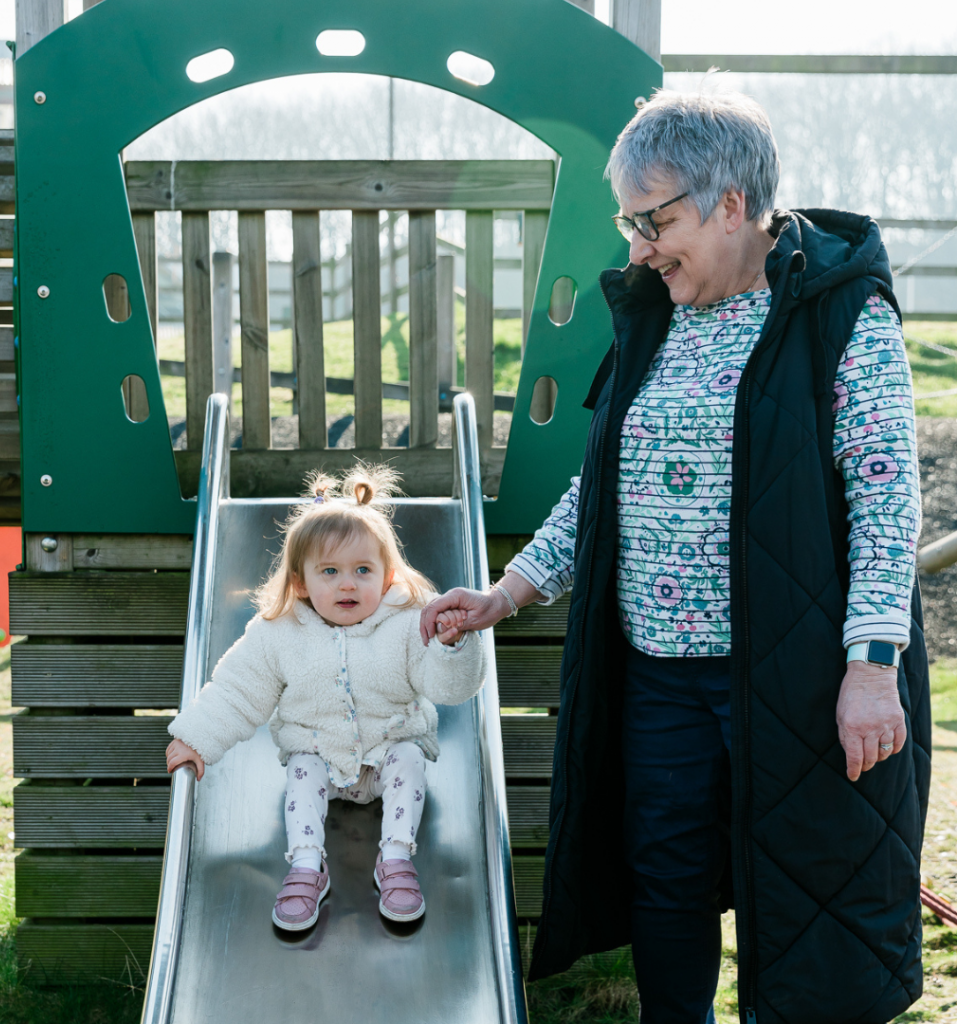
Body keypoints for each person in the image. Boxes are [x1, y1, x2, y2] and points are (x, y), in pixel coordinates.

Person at [421, 89, 928, 1024]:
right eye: (630, 221)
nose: (639, 247)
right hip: (658, 675)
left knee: (805, 894)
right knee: (668, 886)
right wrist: (510, 590)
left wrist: (871, 665)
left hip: (794, 675)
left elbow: (886, 497)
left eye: (655, 220)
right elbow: (602, 485)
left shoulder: (840, 314)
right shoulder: (658, 312)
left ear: (732, 204)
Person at [166, 465, 485, 930]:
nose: (347, 584)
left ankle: (395, 859)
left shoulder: (408, 624)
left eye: (362, 570)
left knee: (410, 759)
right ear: (300, 583)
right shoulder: (279, 633)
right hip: (321, 762)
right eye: (329, 572)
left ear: (387, 575)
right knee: (301, 767)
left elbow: (449, 689)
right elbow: (238, 689)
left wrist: (450, 647)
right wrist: (197, 738)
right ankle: (306, 866)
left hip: (384, 759)